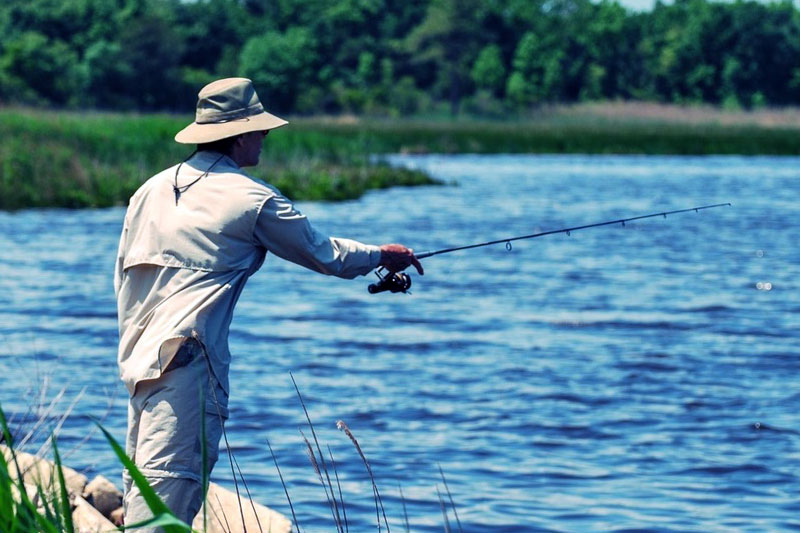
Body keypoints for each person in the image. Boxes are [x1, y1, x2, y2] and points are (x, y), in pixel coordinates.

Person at [114, 77, 422, 529]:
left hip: (138, 367)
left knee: (143, 492)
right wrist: (382, 255)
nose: (267, 136)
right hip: (189, 368)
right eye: (261, 129)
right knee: (165, 510)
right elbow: (326, 254)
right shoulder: (252, 199)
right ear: (239, 134)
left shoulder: (149, 191)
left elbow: (122, 274)